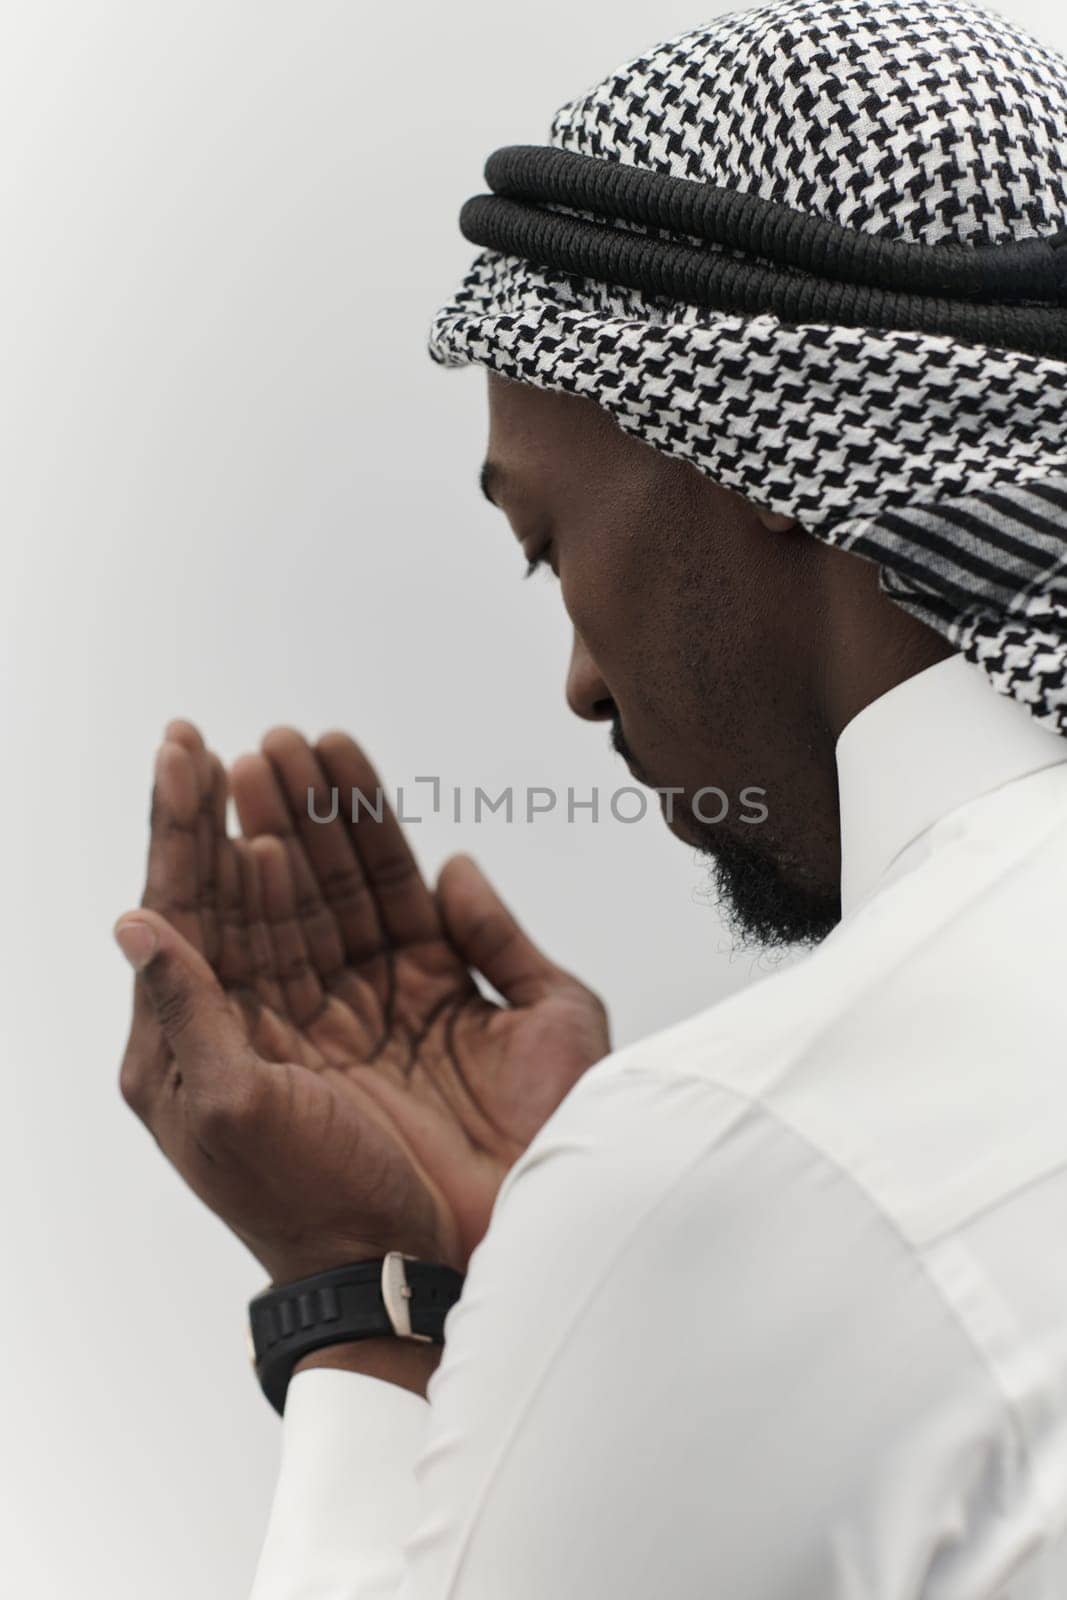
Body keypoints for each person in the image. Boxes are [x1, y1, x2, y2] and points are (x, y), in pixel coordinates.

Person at [114, 2, 1067, 1594]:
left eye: (549, 544)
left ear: (766, 449)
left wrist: (367, 1306)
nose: (581, 684)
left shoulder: (748, 1162)